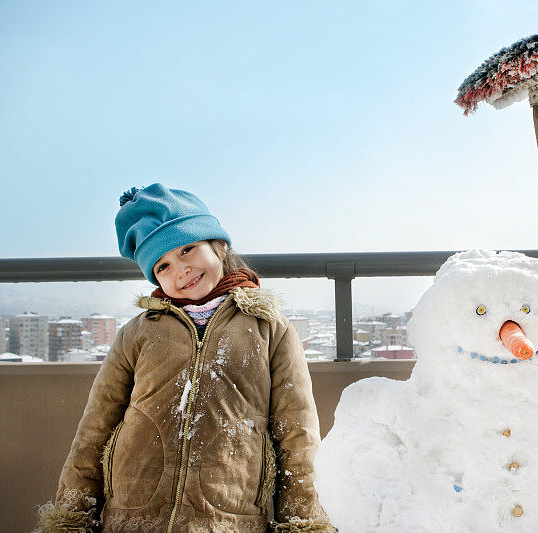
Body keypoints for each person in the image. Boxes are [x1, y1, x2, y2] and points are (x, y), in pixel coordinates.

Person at [36, 184, 334, 532]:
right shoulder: (139, 332)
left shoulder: (269, 327)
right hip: (132, 517)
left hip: (229, 519)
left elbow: (296, 432)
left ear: (220, 246)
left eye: (187, 249)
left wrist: (303, 520)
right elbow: (95, 428)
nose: (181, 270)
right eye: (163, 266)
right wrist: (72, 517)